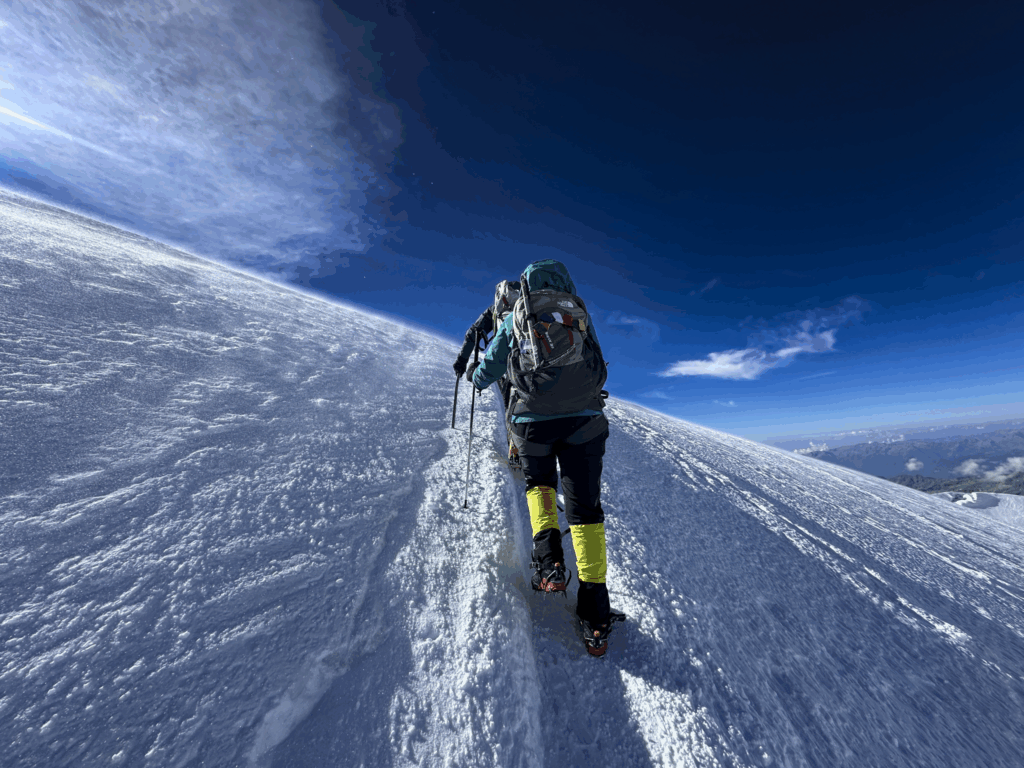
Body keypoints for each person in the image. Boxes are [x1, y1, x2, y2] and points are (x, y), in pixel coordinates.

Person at [467, 259, 620, 656]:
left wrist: (477, 379)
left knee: (540, 485)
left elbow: (494, 363)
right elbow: (599, 370)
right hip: (585, 422)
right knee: (586, 511)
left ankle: (549, 560)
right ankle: (595, 612)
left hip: (531, 422)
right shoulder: (578, 312)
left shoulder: (519, 314)